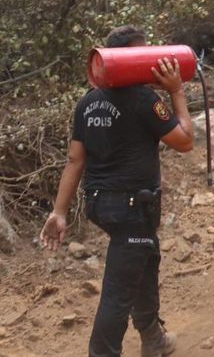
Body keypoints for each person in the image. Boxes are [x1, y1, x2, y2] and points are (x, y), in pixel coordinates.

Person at [39, 25, 194, 357]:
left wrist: (60, 211)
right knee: (118, 292)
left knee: (145, 258)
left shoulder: (88, 103)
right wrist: (176, 91)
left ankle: (152, 337)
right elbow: (185, 141)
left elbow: (75, 160)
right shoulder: (144, 101)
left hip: (101, 204)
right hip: (133, 208)